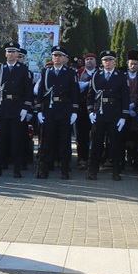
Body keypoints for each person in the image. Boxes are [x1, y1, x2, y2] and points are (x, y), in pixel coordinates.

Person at [0, 42, 34, 178]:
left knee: (17, 139)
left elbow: (28, 91)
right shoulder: (1, 68)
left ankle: (17, 168)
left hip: (17, 107)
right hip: (3, 107)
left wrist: (25, 107)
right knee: (0, 139)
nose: (11, 55)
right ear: (5, 54)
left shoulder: (23, 69)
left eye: (13, 52)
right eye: (8, 52)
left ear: (17, 54)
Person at [86, 51, 130, 181]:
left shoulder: (121, 76)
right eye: (105, 60)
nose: (108, 62)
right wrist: (90, 112)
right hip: (99, 113)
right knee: (96, 143)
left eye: (110, 60)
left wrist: (124, 116)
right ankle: (92, 170)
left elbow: (125, 98)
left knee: (115, 144)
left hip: (115, 113)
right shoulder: (96, 76)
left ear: (114, 62)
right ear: (102, 62)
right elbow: (90, 96)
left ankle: (116, 171)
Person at [35, 46, 78, 179]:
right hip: (49, 109)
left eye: (59, 56)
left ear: (64, 58)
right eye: (54, 56)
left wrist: (74, 111)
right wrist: (38, 110)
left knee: (64, 140)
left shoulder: (70, 73)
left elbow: (74, 93)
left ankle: (64, 168)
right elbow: (40, 92)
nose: (57, 58)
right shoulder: (46, 72)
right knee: (48, 140)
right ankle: (44, 168)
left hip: (64, 109)